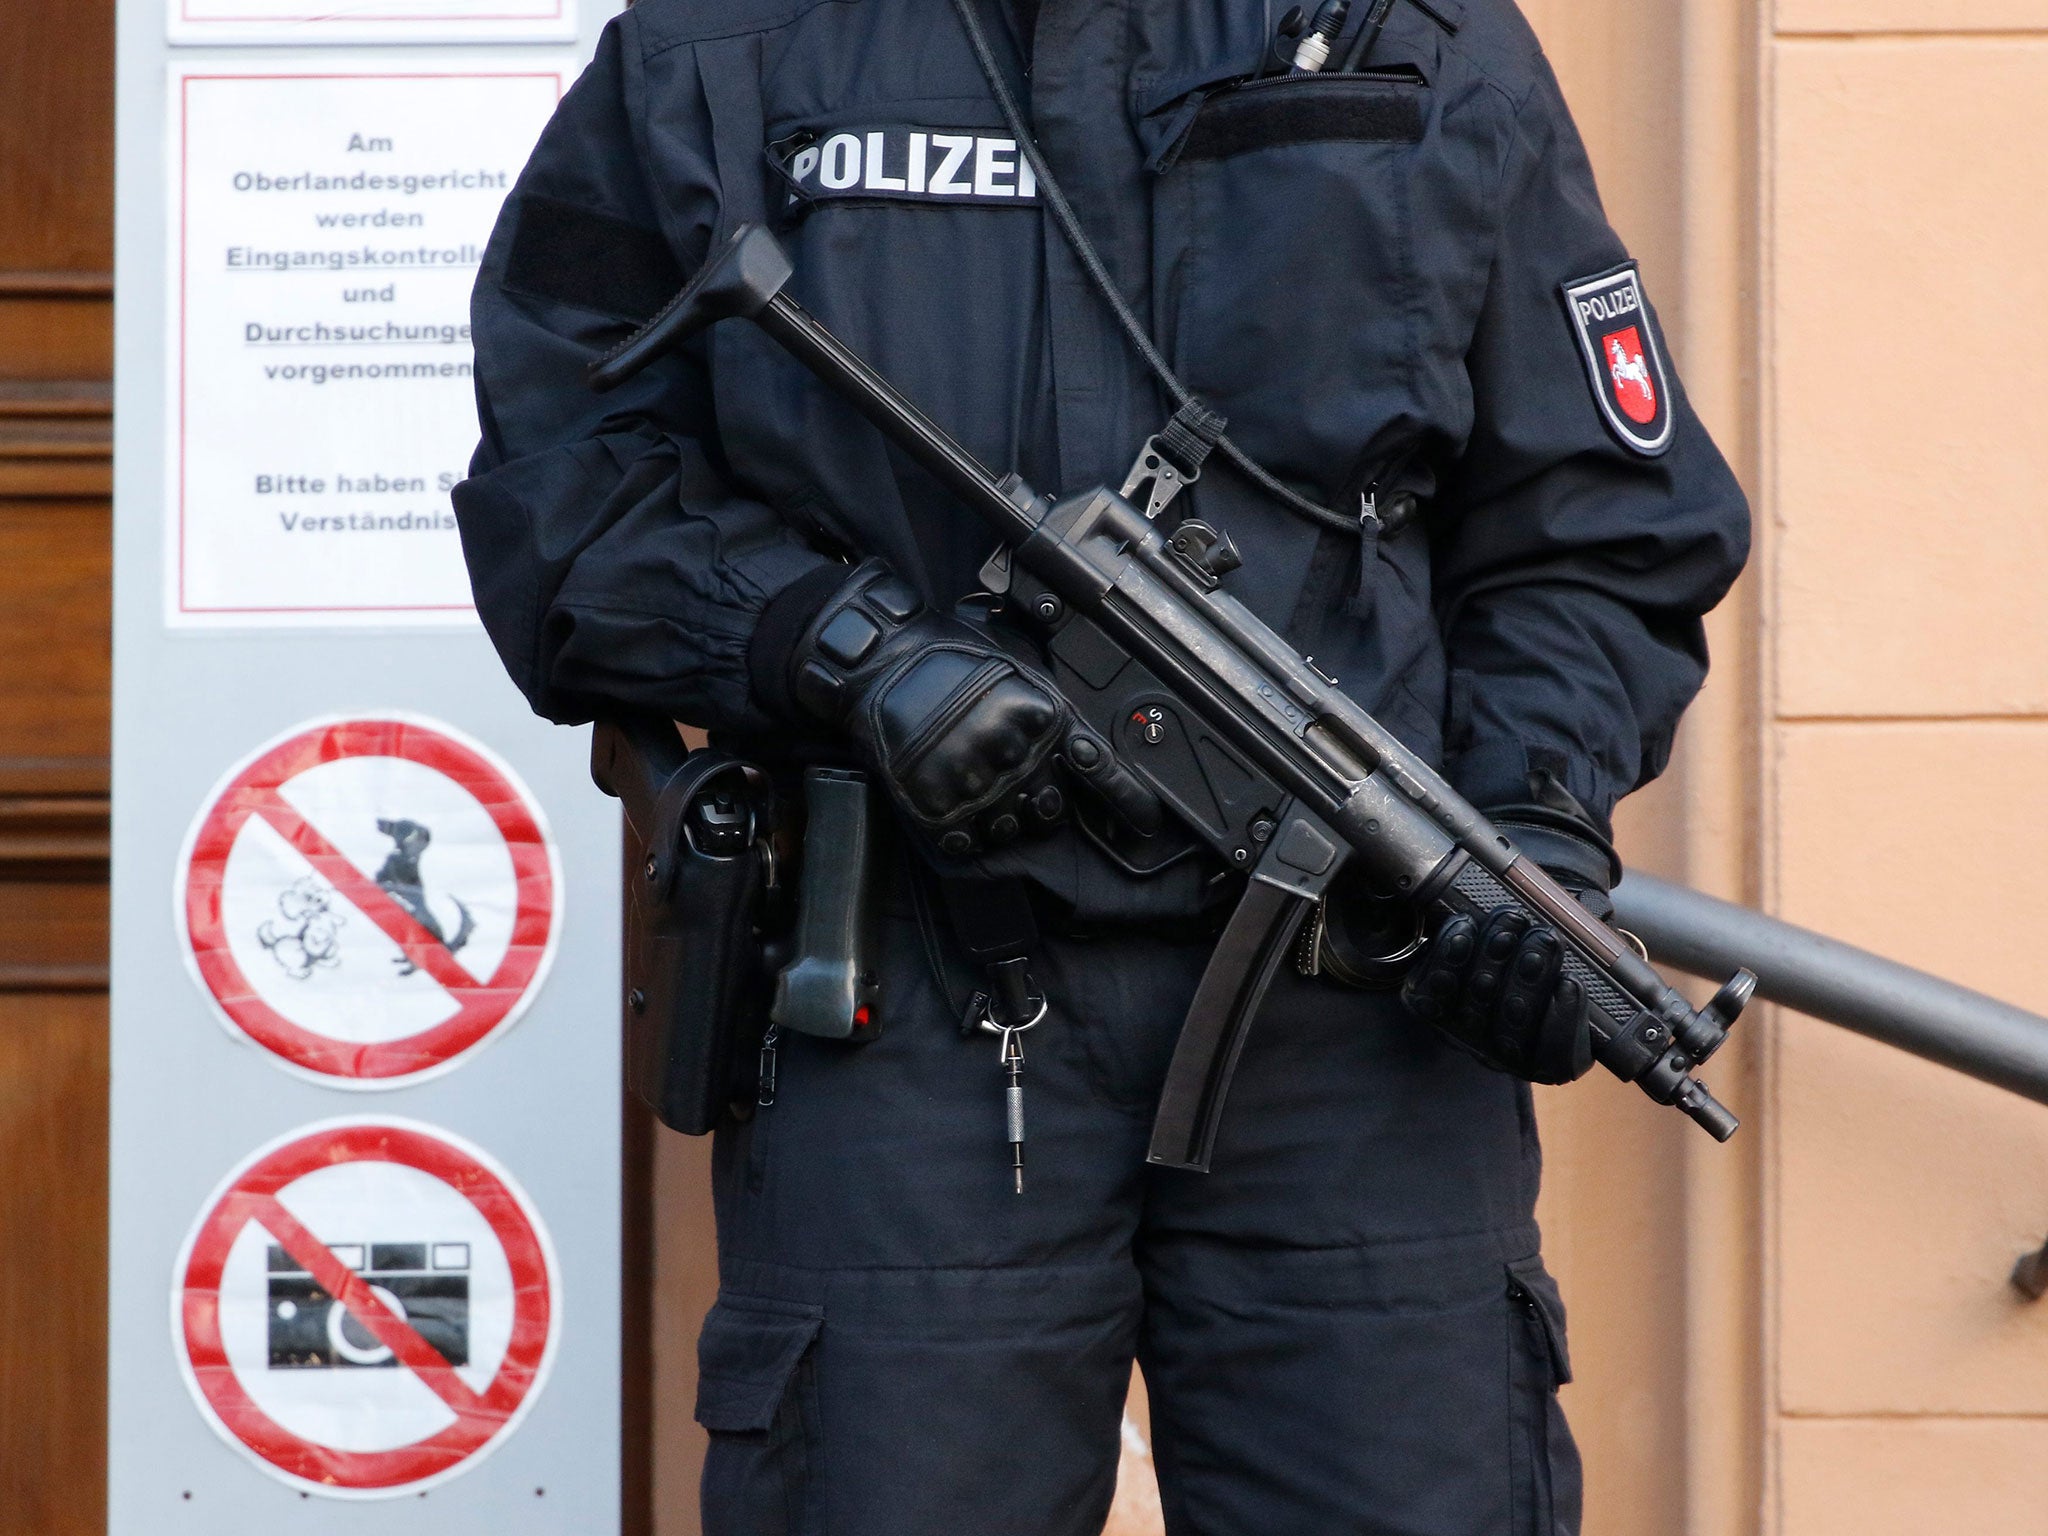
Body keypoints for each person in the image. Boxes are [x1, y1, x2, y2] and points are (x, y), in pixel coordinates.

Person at [454, 0, 1750, 1530]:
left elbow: (1598, 526)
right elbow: (566, 486)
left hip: (1359, 1021)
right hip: (915, 1007)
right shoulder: (724, 46)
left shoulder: (1414, 35)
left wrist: (1531, 839)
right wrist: (838, 651)